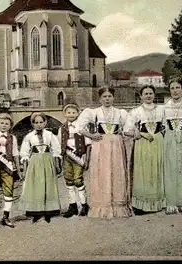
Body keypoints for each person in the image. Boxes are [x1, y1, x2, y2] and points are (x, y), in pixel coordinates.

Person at [77, 87, 132, 218]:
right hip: (100, 145)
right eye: (104, 97)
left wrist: (130, 133)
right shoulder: (93, 112)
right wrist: (91, 135)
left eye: (109, 96)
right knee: (101, 172)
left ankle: (118, 206)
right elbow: (80, 127)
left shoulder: (121, 113)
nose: (107, 99)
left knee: (116, 172)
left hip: (116, 146)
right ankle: (102, 206)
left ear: (113, 97)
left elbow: (128, 129)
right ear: (100, 98)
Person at [124, 85, 166, 214]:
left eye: (150, 93)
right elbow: (126, 131)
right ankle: (141, 205)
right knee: (143, 171)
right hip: (142, 144)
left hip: (158, 142)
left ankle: (157, 203)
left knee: (157, 169)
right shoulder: (135, 112)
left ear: (154, 95)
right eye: (145, 94)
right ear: (141, 96)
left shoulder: (162, 109)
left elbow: (165, 126)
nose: (148, 96)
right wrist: (140, 133)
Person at [19, 112, 63, 223]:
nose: (39, 125)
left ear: (45, 122)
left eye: (41, 122)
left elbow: (56, 149)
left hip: (47, 161)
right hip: (35, 162)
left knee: (48, 184)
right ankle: (36, 212)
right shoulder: (29, 137)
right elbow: (24, 152)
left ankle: (49, 211)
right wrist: (25, 166)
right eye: (36, 122)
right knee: (36, 185)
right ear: (33, 124)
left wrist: (57, 163)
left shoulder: (50, 135)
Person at [163, 76, 182, 214]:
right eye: (172, 88)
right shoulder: (165, 106)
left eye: (177, 88)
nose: (175, 91)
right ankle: (172, 202)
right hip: (170, 139)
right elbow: (163, 124)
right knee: (171, 168)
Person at [58, 102, 92, 218]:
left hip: (79, 156)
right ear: (65, 114)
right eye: (68, 112)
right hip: (67, 156)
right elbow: (59, 144)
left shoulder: (82, 127)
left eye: (73, 112)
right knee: (68, 180)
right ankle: (72, 205)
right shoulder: (62, 128)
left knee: (78, 180)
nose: (71, 114)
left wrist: (87, 159)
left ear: (78, 113)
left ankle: (84, 205)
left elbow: (88, 144)